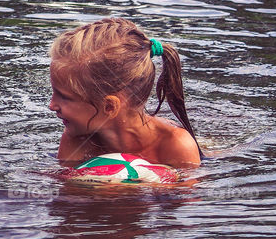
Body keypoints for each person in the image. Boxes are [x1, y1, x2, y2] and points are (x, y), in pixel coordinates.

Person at [49, 17, 201, 167]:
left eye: (64, 97)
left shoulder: (176, 145)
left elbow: (186, 190)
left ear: (109, 106)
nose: (51, 105)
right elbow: (67, 189)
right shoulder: (76, 141)